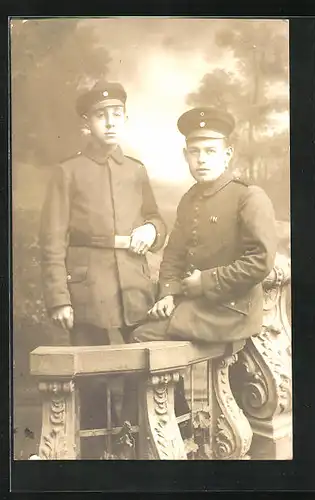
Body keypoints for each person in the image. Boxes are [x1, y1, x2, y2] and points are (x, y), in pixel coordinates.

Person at [39, 81, 167, 458]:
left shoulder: (136, 170)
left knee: (139, 374)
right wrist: (59, 299)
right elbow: (52, 239)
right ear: (86, 123)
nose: (110, 122)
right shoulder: (68, 172)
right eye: (100, 115)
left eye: (116, 114)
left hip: (134, 286)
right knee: (91, 378)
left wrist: (151, 229)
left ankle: (135, 452)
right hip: (88, 291)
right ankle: (93, 458)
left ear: (125, 118)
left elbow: (156, 218)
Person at [131, 106, 277, 344]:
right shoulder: (189, 199)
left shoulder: (248, 196)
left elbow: (260, 261)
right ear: (185, 155)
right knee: (137, 319)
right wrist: (168, 294)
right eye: (194, 152)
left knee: (142, 336)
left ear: (227, 154)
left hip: (231, 310)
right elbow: (174, 254)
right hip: (197, 304)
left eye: (211, 151)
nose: (202, 160)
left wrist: (206, 282)